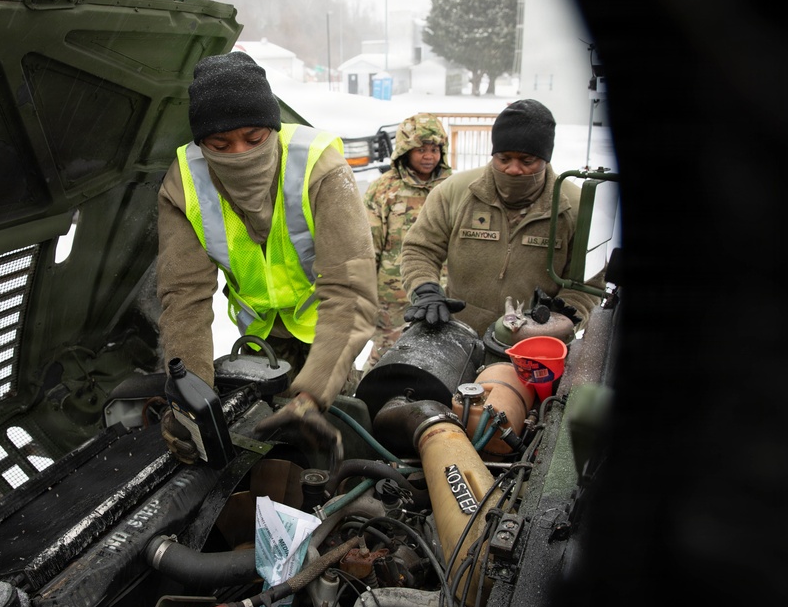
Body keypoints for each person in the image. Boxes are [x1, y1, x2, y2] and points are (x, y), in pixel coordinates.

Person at [155, 51, 378, 467]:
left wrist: (312, 395)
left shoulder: (320, 168)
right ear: (202, 144)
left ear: (273, 130)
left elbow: (351, 288)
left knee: (339, 440)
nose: (239, 153)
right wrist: (190, 400)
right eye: (220, 145)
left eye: (255, 139)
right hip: (259, 341)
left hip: (328, 332)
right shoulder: (183, 185)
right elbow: (184, 296)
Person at [400, 98, 603, 339]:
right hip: (457, 335)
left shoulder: (575, 207)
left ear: (546, 158)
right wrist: (424, 289)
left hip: (534, 344)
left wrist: (560, 320)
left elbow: (588, 283)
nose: (514, 170)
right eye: (504, 159)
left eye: (527, 161)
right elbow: (420, 249)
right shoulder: (455, 192)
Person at [362, 113, 451, 371]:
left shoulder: (450, 188)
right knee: (385, 358)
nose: (428, 156)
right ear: (404, 150)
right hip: (392, 299)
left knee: (436, 359)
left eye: (434, 149)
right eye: (420, 149)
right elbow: (369, 246)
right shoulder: (383, 190)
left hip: (440, 293)